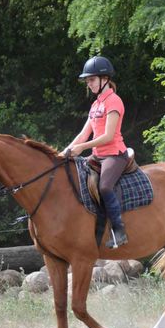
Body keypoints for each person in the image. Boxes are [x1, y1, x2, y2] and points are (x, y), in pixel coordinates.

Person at [60, 56, 129, 248]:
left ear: (104, 79)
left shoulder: (114, 101)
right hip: (97, 154)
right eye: (87, 81)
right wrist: (63, 153)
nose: (88, 84)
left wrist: (82, 148)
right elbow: (83, 134)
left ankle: (119, 230)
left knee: (105, 186)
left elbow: (108, 136)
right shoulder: (96, 104)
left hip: (114, 154)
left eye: (91, 80)